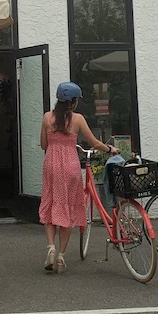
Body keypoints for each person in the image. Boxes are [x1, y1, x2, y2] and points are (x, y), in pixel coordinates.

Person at [39, 81, 115, 274]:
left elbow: (43, 145)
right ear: (73, 101)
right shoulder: (77, 119)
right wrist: (109, 149)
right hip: (71, 167)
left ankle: (51, 247)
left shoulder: (47, 117)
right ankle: (61, 257)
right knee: (68, 206)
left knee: (50, 203)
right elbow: (94, 143)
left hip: (51, 166)